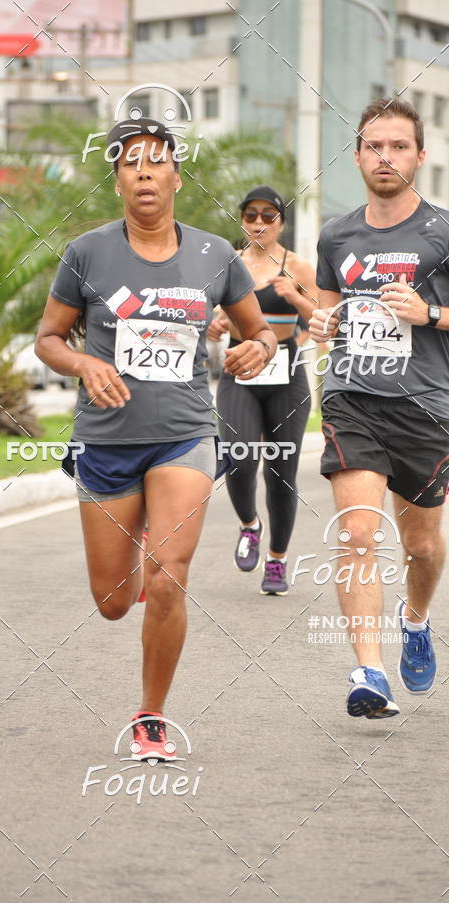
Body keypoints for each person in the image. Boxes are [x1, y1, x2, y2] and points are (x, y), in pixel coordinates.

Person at [35, 118, 276, 759]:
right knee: (114, 601)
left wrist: (257, 348)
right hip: (107, 441)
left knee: (168, 578)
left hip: (184, 434)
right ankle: (141, 544)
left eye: (156, 161)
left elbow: (262, 332)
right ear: (116, 181)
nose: (143, 171)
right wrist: (85, 363)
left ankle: (151, 716)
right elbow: (48, 339)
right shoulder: (86, 253)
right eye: (130, 163)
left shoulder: (214, 256)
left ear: (175, 175)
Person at [309, 97, 449, 718]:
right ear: (358, 154)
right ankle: (369, 671)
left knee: (421, 548)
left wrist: (432, 314)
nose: (384, 157)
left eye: (398, 146)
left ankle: (414, 620)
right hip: (353, 397)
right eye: (374, 146)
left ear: (420, 155)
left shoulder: (444, 232)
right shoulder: (337, 234)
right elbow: (326, 311)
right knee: (359, 534)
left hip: (427, 405)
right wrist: (321, 323)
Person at [208, 186, 317, 595]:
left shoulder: (300, 267)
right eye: (251, 215)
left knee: (281, 474)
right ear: (242, 220)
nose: (258, 223)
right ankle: (250, 525)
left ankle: (277, 559)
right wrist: (214, 324)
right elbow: (209, 314)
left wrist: (296, 296)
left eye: (268, 216)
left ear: (281, 223)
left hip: (286, 376)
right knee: (238, 458)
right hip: (239, 369)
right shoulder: (229, 264)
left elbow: (325, 319)